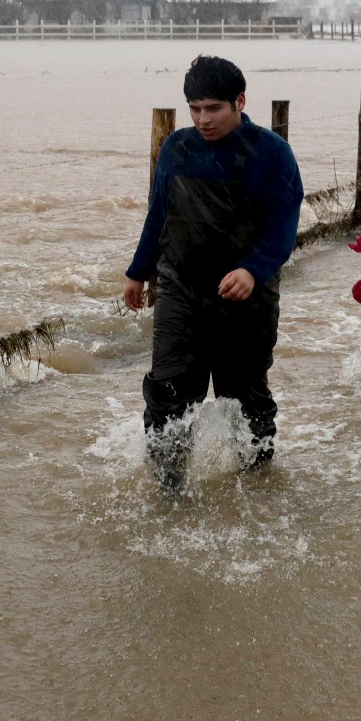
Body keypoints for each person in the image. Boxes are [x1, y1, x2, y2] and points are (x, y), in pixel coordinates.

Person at [123, 56, 304, 493]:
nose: (202, 119)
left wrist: (253, 270)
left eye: (213, 109)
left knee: (244, 398)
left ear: (239, 101)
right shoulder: (177, 149)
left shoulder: (271, 153)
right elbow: (159, 215)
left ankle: (257, 486)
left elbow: (284, 225)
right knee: (168, 392)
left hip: (247, 296)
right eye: (194, 108)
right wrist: (138, 270)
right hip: (180, 288)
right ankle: (169, 493)